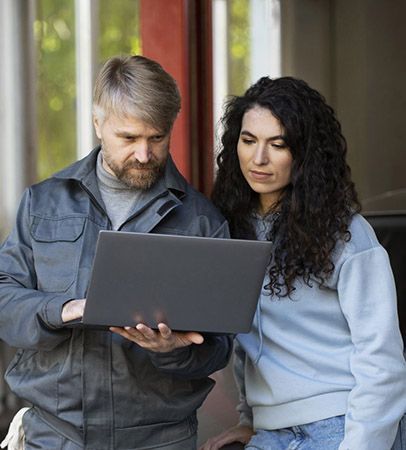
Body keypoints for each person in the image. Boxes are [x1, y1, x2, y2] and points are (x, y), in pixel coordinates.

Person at [0, 55, 232, 450]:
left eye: (156, 138)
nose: (144, 154)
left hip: (161, 439)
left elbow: (219, 346)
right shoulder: (43, 203)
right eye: (128, 138)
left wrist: (173, 351)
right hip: (54, 436)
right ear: (98, 124)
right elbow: (4, 298)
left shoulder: (202, 222)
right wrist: (62, 310)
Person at [201, 76, 406, 450]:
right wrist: (249, 421)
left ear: (305, 154)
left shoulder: (345, 234)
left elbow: (382, 358)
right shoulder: (231, 227)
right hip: (271, 433)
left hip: (342, 427)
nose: (258, 159)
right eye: (248, 141)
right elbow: (250, 341)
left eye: (277, 145)